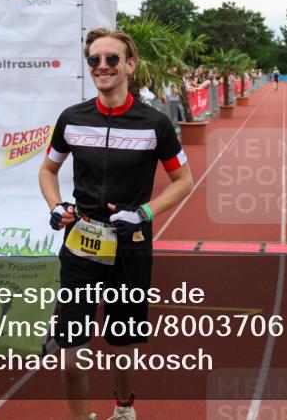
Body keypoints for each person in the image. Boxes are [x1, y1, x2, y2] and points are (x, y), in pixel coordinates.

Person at [39, 28, 193, 420]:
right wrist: (57, 207)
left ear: (130, 64)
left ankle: (124, 408)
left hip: (131, 247)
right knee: (71, 352)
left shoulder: (155, 124)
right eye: (95, 60)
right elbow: (47, 170)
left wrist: (144, 212)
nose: (102, 66)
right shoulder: (72, 118)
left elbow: (184, 182)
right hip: (81, 244)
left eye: (111, 59)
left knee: (122, 345)